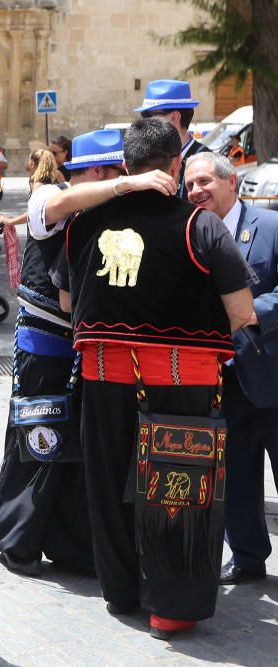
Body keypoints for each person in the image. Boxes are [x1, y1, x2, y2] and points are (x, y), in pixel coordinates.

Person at [58, 117, 256, 640]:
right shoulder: (200, 225)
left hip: (104, 377)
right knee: (179, 487)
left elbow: (66, 302)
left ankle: (121, 591)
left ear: (125, 166)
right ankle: (172, 604)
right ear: (175, 164)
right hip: (182, 381)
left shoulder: (84, 223)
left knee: (108, 484)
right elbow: (241, 312)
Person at [0, 133, 130, 578]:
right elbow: (50, 213)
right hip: (46, 345)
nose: (110, 180)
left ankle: (73, 546)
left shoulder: (111, 215)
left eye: (116, 172)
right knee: (39, 440)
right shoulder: (50, 196)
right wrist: (124, 188)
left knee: (81, 452)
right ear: (80, 173)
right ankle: (18, 540)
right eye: (102, 172)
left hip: (88, 350)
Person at [183, 152, 278, 586]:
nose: (196, 191)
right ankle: (247, 557)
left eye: (204, 181)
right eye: (189, 186)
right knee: (235, 477)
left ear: (230, 182)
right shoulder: (189, 236)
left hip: (271, 376)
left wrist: (247, 312)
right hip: (220, 381)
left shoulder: (270, 227)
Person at [135, 79, 211, 200]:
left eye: (149, 115)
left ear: (174, 117)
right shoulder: (147, 157)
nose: (145, 122)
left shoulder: (207, 162)